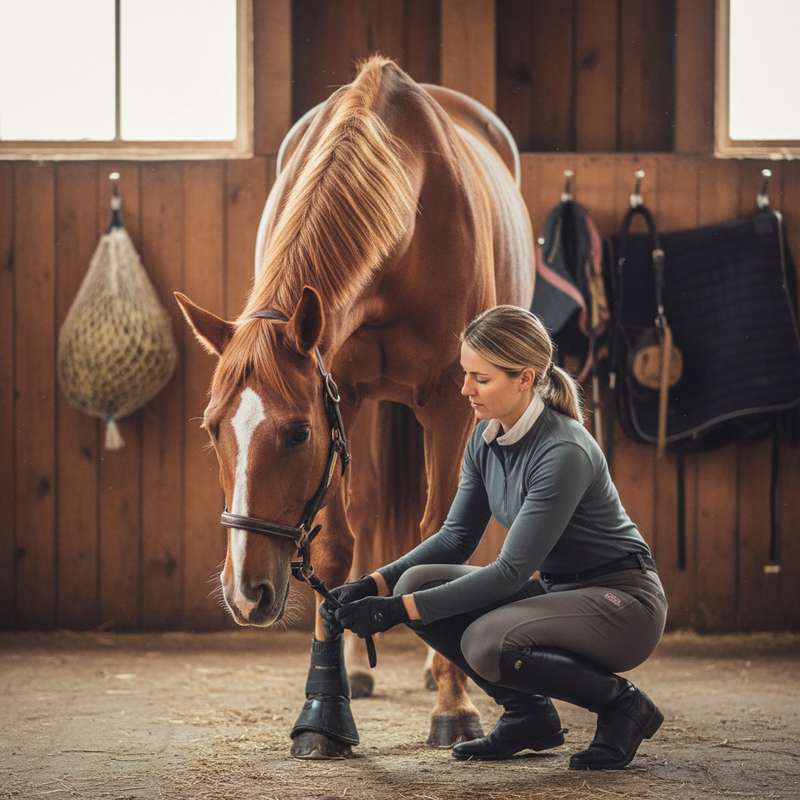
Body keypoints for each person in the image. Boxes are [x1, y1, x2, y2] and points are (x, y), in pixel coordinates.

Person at [322, 305, 668, 769]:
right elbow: (454, 537)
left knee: (486, 642)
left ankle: (624, 706)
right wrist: (376, 585)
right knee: (416, 582)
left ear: (525, 379)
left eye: (480, 379)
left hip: (622, 603)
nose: (464, 389)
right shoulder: (485, 438)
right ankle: (529, 717)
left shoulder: (563, 449)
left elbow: (509, 573)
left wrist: (394, 614)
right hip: (559, 591)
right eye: (465, 374)